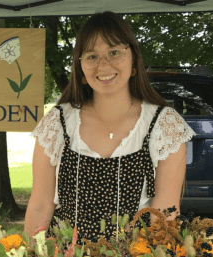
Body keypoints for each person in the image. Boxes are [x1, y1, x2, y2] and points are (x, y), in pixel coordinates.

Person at [24, 11, 196, 243]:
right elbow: (40, 206)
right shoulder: (58, 123)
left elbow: (164, 215)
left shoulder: (163, 126)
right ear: (80, 66)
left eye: (114, 52)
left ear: (133, 59)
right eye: (92, 56)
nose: (103, 65)